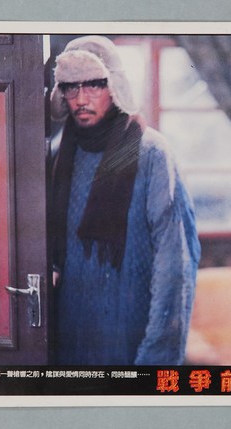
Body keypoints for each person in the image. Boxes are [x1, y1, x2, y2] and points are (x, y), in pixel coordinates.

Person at [49, 36, 200, 365]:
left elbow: (175, 264)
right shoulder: (57, 156)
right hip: (70, 339)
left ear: (115, 86)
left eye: (94, 85)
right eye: (71, 87)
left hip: (131, 335)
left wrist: (156, 359)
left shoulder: (152, 154)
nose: (81, 99)